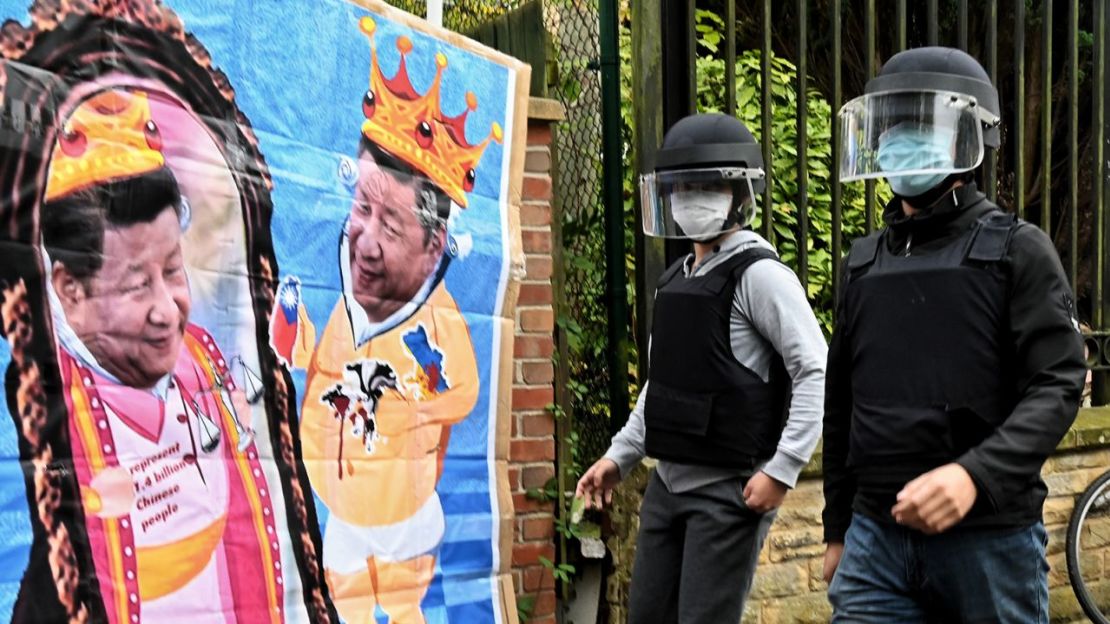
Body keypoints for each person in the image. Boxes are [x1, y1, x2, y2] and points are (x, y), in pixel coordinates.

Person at [822, 46, 1086, 623]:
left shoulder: (1017, 249)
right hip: (874, 537)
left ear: (971, 138)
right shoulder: (862, 262)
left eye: (920, 124)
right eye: (891, 126)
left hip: (988, 541)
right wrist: (837, 526)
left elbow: (1059, 384)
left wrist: (976, 475)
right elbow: (841, 401)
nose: (899, 140)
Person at [277, 18, 499, 622]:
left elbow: (464, 395)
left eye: (391, 226)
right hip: (345, 515)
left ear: (434, 247)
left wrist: (422, 397)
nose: (364, 240)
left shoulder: (439, 317)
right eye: (361, 209)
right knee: (345, 604)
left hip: (402, 521)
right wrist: (292, 338)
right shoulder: (347, 298)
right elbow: (319, 364)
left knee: (401, 610)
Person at [37, 88, 284, 624]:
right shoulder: (47, 404)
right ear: (70, 290)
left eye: (172, 270)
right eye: (135, 286)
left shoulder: (203, 359)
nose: (167, 312)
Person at [575, 113, 827, 623]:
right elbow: (662, 388)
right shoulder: (675, 281)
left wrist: (782, 471)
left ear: (738, 195)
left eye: (707, 186)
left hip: (729, 490)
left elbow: (815, 370)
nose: (692, 197)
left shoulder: (761, 277)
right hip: (668, 486)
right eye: (683, 187)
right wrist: (618, 458)